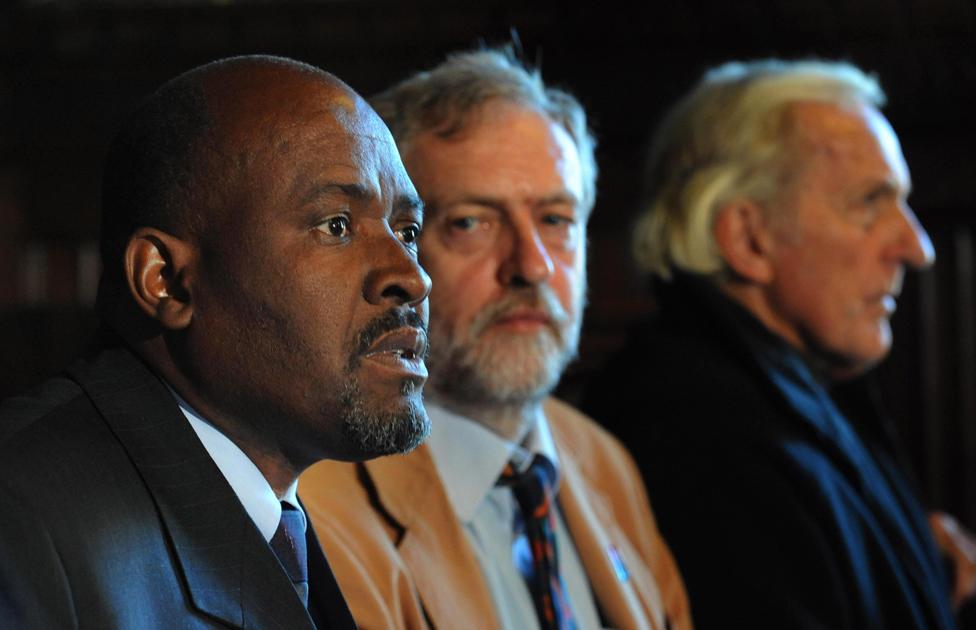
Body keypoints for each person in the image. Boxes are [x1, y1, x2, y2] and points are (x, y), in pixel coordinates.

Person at [0, 55, 432, 629]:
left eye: (407, 231)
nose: (412, 276)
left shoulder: (277, 514)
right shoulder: (20, 521)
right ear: (167, 280)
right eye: (336, 225)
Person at [299, 47, 692, 630]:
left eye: (556, 220)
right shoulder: (317, 503)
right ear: (397, 252)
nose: (530, 266)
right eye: (471, 223)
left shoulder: (604, 462)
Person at [584, 58, 973, 629]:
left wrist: (913, 548)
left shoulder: (782, 383)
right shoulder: (699, 438)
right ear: (747, 238)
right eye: (870, 202)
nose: (917, 247)